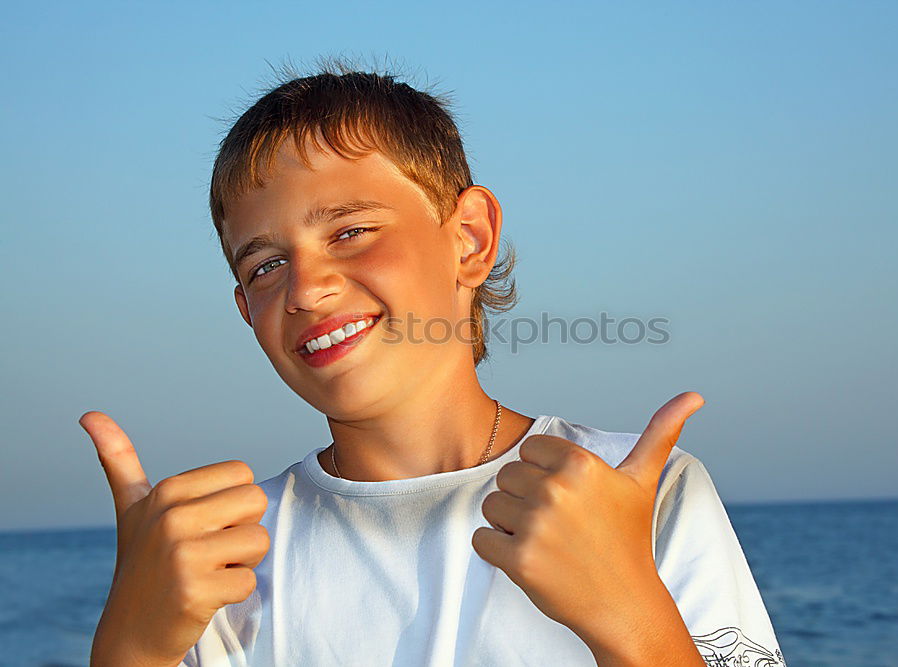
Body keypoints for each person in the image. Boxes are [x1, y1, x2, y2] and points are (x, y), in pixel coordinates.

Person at [79, 60, 786, 667]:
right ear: (245, 310)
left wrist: (635, 621)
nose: (306, 287)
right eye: (265, 265)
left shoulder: (639, 496)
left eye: (351, 230)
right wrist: (130, 647)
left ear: (470, 239)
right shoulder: (224, 561)